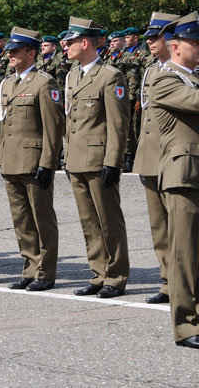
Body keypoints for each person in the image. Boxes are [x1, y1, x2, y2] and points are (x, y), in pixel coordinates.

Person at [63, 17, 130, 299]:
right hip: (77, 159)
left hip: (99, 159)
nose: (65, 46)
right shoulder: (72, 76)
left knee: (108, 220)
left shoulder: (109, 75)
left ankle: (115, 276)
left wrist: (113, 161)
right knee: (89, 221)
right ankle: (98, 272)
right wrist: (66, 157)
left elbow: (118, 123)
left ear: (85, 42)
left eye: (70, 41)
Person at [0, 28, 64, 291]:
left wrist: (48, 162)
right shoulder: (6, 83)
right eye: (10, 51)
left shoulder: (43, 82)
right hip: (11, 160)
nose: (10, 55)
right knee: (21, 219)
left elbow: (53, 127)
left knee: (42, 219)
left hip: (34, 161)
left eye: (16, 51)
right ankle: (30, 266)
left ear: (31, 53)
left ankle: (45, 272)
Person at [150, 12, 199, 349]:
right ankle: (186, 326)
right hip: (184, 175)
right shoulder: (165, 80)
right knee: (185, 255)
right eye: (195, 43)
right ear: (176, 47)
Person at [133, 12, 179, 304]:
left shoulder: (188, 71)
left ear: (173, 40)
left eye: (156, 36)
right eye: (148, 36)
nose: (150, 41)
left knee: (181, 227)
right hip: (151, 155)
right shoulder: (150, 71)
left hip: (175, 158)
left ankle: (184, 284)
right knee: (159, 226)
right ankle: (166, 282)